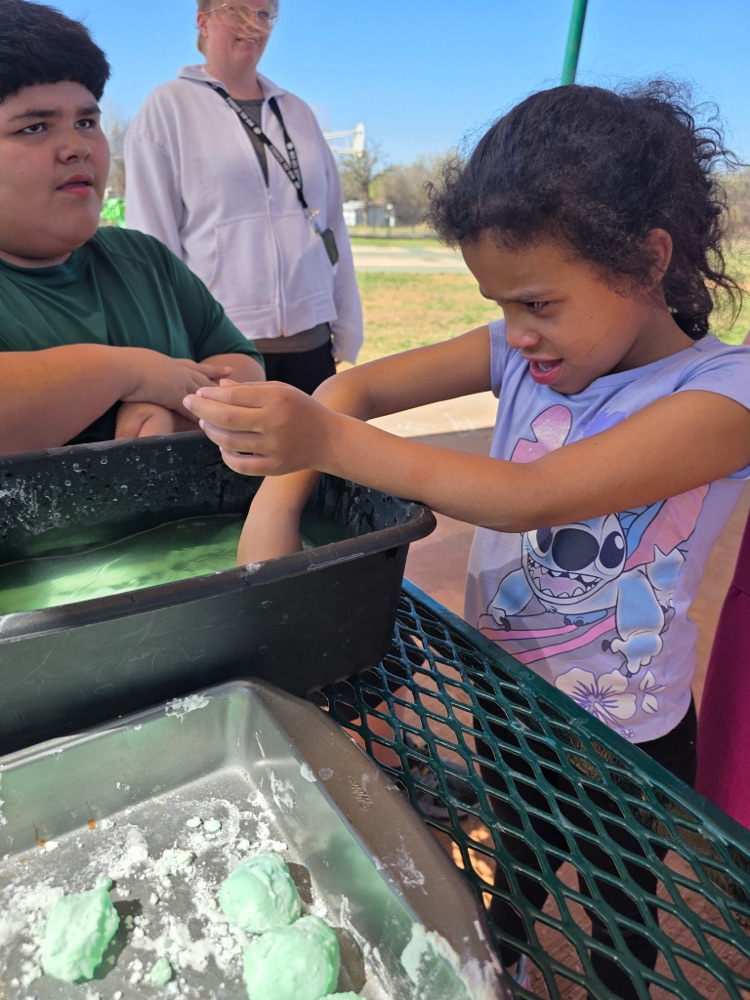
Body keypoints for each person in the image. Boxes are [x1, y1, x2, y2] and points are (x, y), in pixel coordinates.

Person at [184, 80, 750, 995]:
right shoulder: (519, 349)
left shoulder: (725, 398)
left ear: (648, 262)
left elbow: (527, 497)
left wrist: (323, 441)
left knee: (622, 902)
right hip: (504, 693)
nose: (517, 333)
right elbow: (351, 391)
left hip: (629, 730)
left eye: (539, 303)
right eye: (500, 303)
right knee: (515, 860)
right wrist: (274, 505)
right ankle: (506, 969)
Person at [0, 0, 265, 456]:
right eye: (35, 127)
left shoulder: (144, 259)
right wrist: (129, 373)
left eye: (87, 121)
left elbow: (244, 366)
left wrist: (175, 409)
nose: (77, 147)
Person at [124, 0, 362, 396]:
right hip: (223, 350)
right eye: (237, 10)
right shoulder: (167, 109)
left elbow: (331, 223)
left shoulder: (297, 112)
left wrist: (346, 328)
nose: (255, 24)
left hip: (313, 343)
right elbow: (154, 245)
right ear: (203, 21)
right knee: (236, 461)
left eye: (265, 13)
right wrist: (172, 349)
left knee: (315, 459)